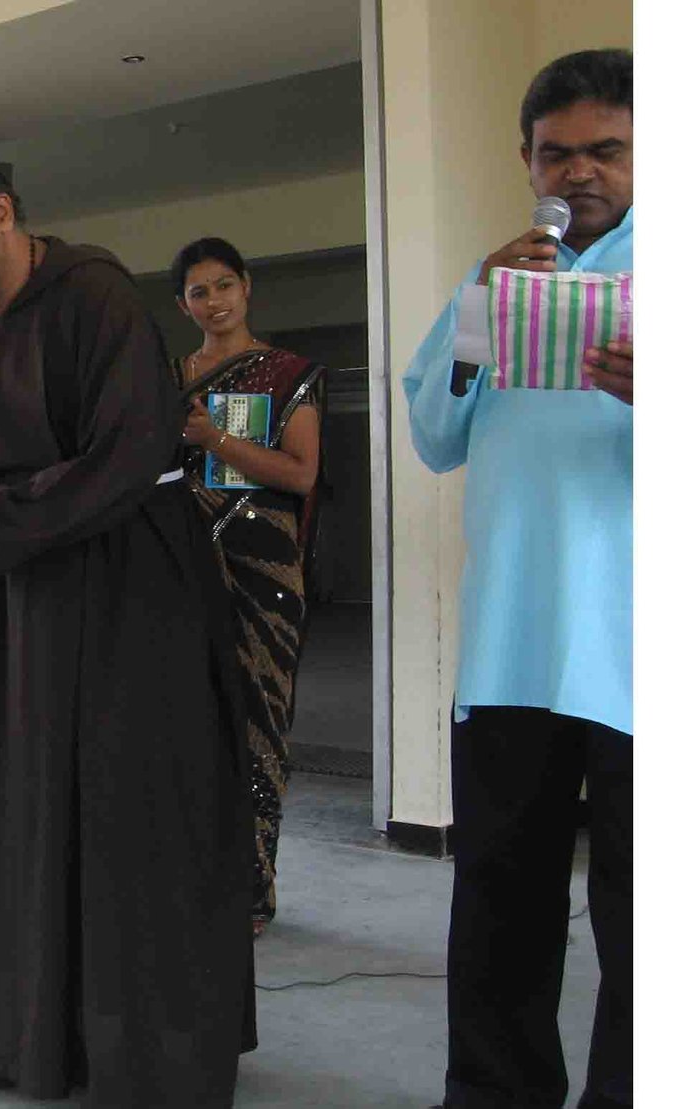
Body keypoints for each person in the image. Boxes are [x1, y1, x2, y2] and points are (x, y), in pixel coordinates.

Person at [0, 148, 254, 1106]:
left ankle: (150, 1056)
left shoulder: (99, 297)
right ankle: (18, 1035)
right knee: (25, 811)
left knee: (133, 815)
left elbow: (127, 456)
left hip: (139, 591)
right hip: (36, 599)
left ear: (3, 213)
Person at [402, 48, 632, 1109]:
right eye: (555, 153)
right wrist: (477, 310)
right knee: (499, 894)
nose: (577, 172)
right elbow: (435, 437)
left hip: (637, 651)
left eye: (605, 150)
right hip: (510, 645)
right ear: (526, 160)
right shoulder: (498, 279)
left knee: (644, 915)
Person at [170, 237, 325, 936]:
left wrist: (214, 439)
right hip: (183, 569)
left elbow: (300, 473)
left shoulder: (290, 374)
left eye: (224, 285)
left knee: (259, 723)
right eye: (199, 292)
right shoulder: (170, 380)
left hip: (266, 573)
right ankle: (191, 879)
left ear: (247, 287)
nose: (215, 301)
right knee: (188, 723)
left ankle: (252, 888)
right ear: (184, 306)